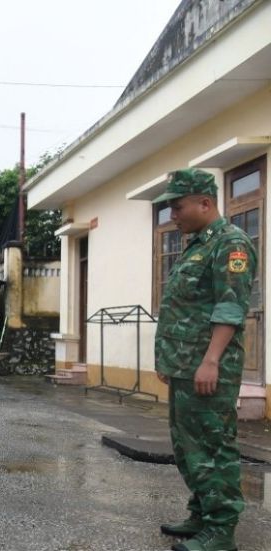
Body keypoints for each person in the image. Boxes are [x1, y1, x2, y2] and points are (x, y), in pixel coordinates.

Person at [152, 169, 256, 551]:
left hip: (208, 368)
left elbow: (230, 308)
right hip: (185, 366)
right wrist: (169, 360)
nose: (172, 215)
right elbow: (183, 310)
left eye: (177, 207)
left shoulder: (231, 245)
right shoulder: (197, 246)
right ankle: (201, 514)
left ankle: (221, 529)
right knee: (187, 446)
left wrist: (211, 360)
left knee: (213, 448)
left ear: (205, 203)